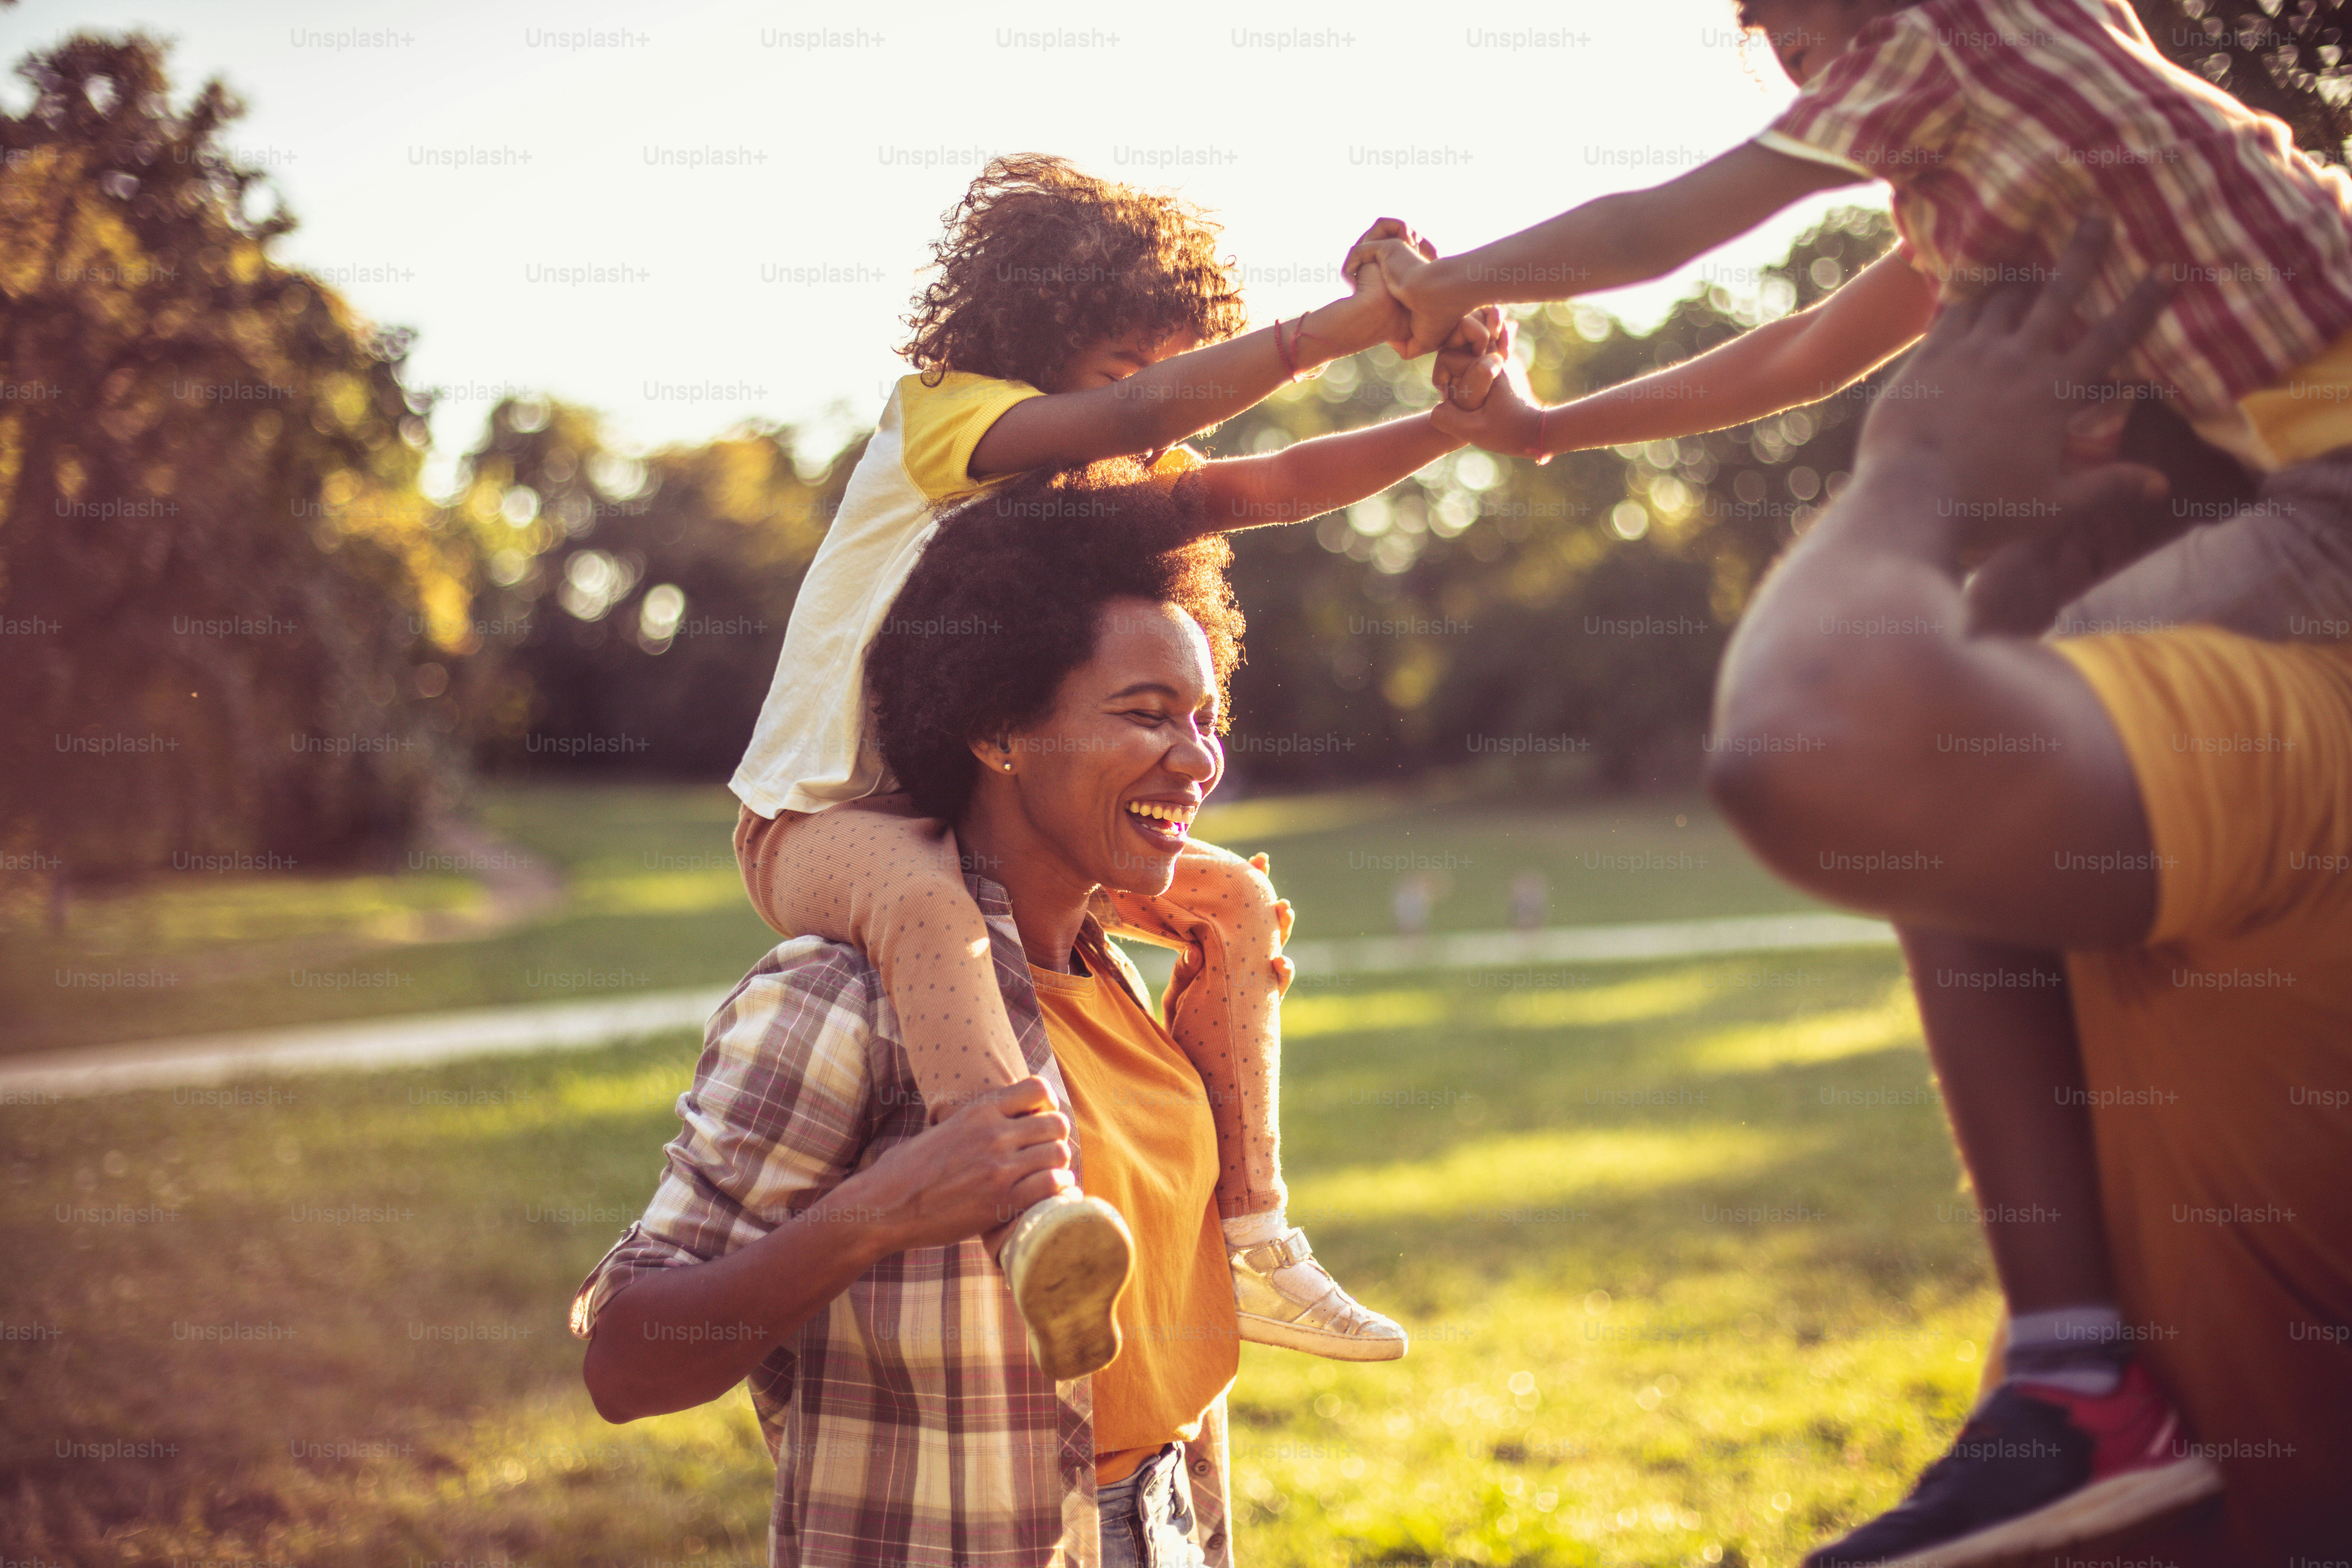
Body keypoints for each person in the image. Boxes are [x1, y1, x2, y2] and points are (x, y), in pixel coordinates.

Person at [1354, 0, 2352, 1550]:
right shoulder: (2029, 137)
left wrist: (1449, 284)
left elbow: (1667, 224)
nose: (1786, 56)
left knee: (1958, 725)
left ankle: (2080, 1379)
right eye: (1764, 37)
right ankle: (2083, 1376)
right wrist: (1545, 432)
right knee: (1996, 669)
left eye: (1796, 20)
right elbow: (1803, 349)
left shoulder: (1948, 44)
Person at [727, 155, 1501, 1378]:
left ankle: (1253, 1237)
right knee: (928, 899)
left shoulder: (1098, 495)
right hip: (818, 818)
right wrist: (1347, 325)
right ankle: (1037, 1222)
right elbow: (1146, 421)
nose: (1164, 404)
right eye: (1128, 366)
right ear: (1038, 329)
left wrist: (1449, 425)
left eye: (1170, 367)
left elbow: (1277, 481)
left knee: (1232, 901)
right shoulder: (944, 416)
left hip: (980, 808)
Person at [1702, 221, 2352, 1566]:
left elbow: (1820, 741)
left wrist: (1921, 480)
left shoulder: (2285, 722)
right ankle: (2073, 1384)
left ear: (2094, 426)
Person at [578, 463, 1283, 1567]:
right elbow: (625, 1361)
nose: (1195, 761)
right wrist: (874, 1212)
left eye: (1204, 719)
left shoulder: (1119, 981)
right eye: (1146, 716)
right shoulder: (838, 998)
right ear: (999, 733)